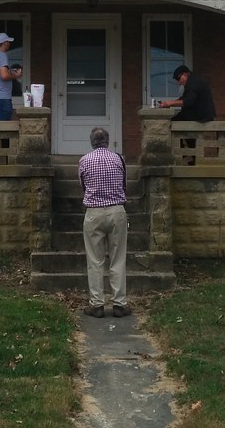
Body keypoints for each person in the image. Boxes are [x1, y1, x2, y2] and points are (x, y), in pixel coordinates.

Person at [78, 127, 130, 318]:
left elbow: (83, 186)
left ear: (92, 142)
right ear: (107, 141)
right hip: (117, 210)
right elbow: (124, 185)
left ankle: (97, 304)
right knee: (118, 258)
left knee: (95, 260)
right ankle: (119, 303)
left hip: (94, 212)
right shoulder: (119, 159)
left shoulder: (84, 160)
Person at [0, 32, 23, 120]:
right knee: (2, 128)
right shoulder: (1, 55)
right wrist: (16, 75)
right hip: (1, 97)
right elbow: (4, 76)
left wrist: (10, 72)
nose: (9, 44)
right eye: (8, 42)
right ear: (4, 43)